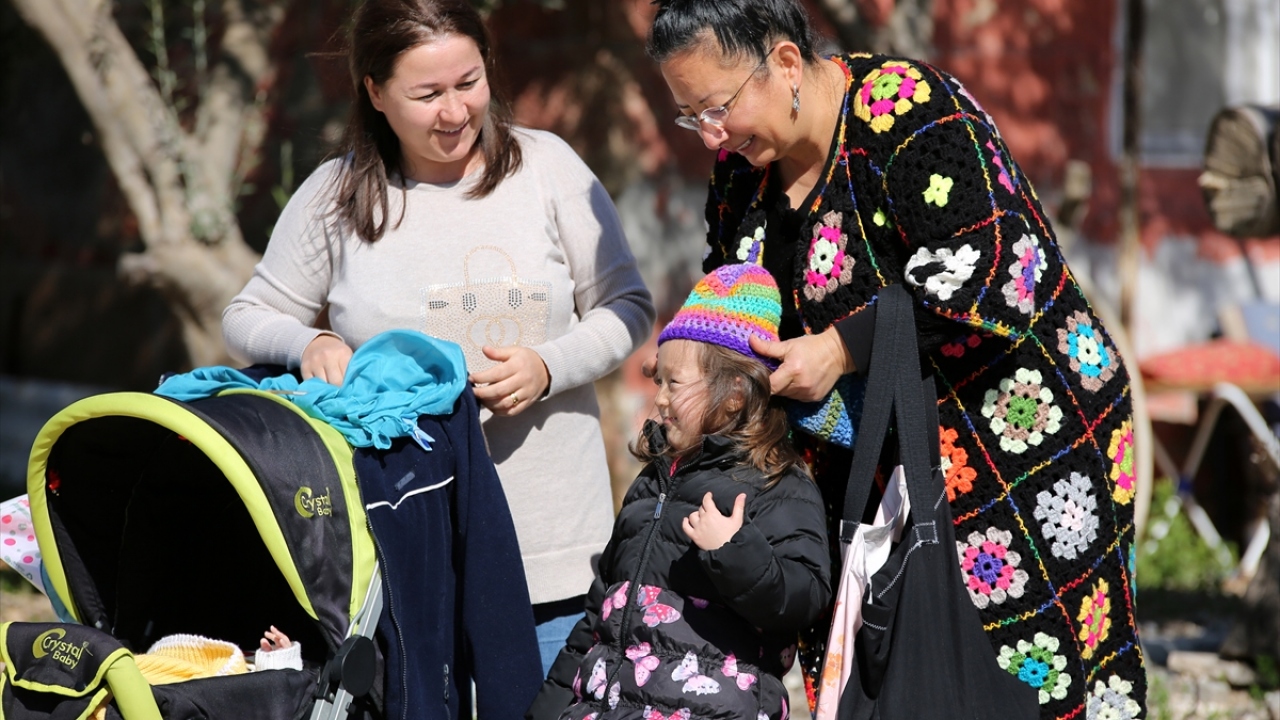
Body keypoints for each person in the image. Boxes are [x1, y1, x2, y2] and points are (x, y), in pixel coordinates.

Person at [645, 1, 1145, 717]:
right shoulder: (739, 174)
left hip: (1018, 444)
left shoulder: (909, 112)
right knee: (886, 672)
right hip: (867, 472)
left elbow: (992, 266)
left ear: (785, 62)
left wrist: (840, 349)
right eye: (692, 117)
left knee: (1016, 678)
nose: (712, 136)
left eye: (718, 107)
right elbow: (735, 297)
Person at [222, 0, 655, 676]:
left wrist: (548, 365)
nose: (455, 112)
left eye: (469, 83)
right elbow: (248, 313)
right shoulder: (336, 195)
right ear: (375, 92)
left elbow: (627, 306)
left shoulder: (548, 170)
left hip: (550, 551)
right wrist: (308, 346)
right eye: (427, 94)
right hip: (404, 549)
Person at [528, 264, 830, 720]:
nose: (661, 398)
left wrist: (735, 551)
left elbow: (802, 599)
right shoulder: (652, 482)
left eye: (675, 382)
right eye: (659, 381)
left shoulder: (778, 483)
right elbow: (599, 613)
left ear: (733, 393)